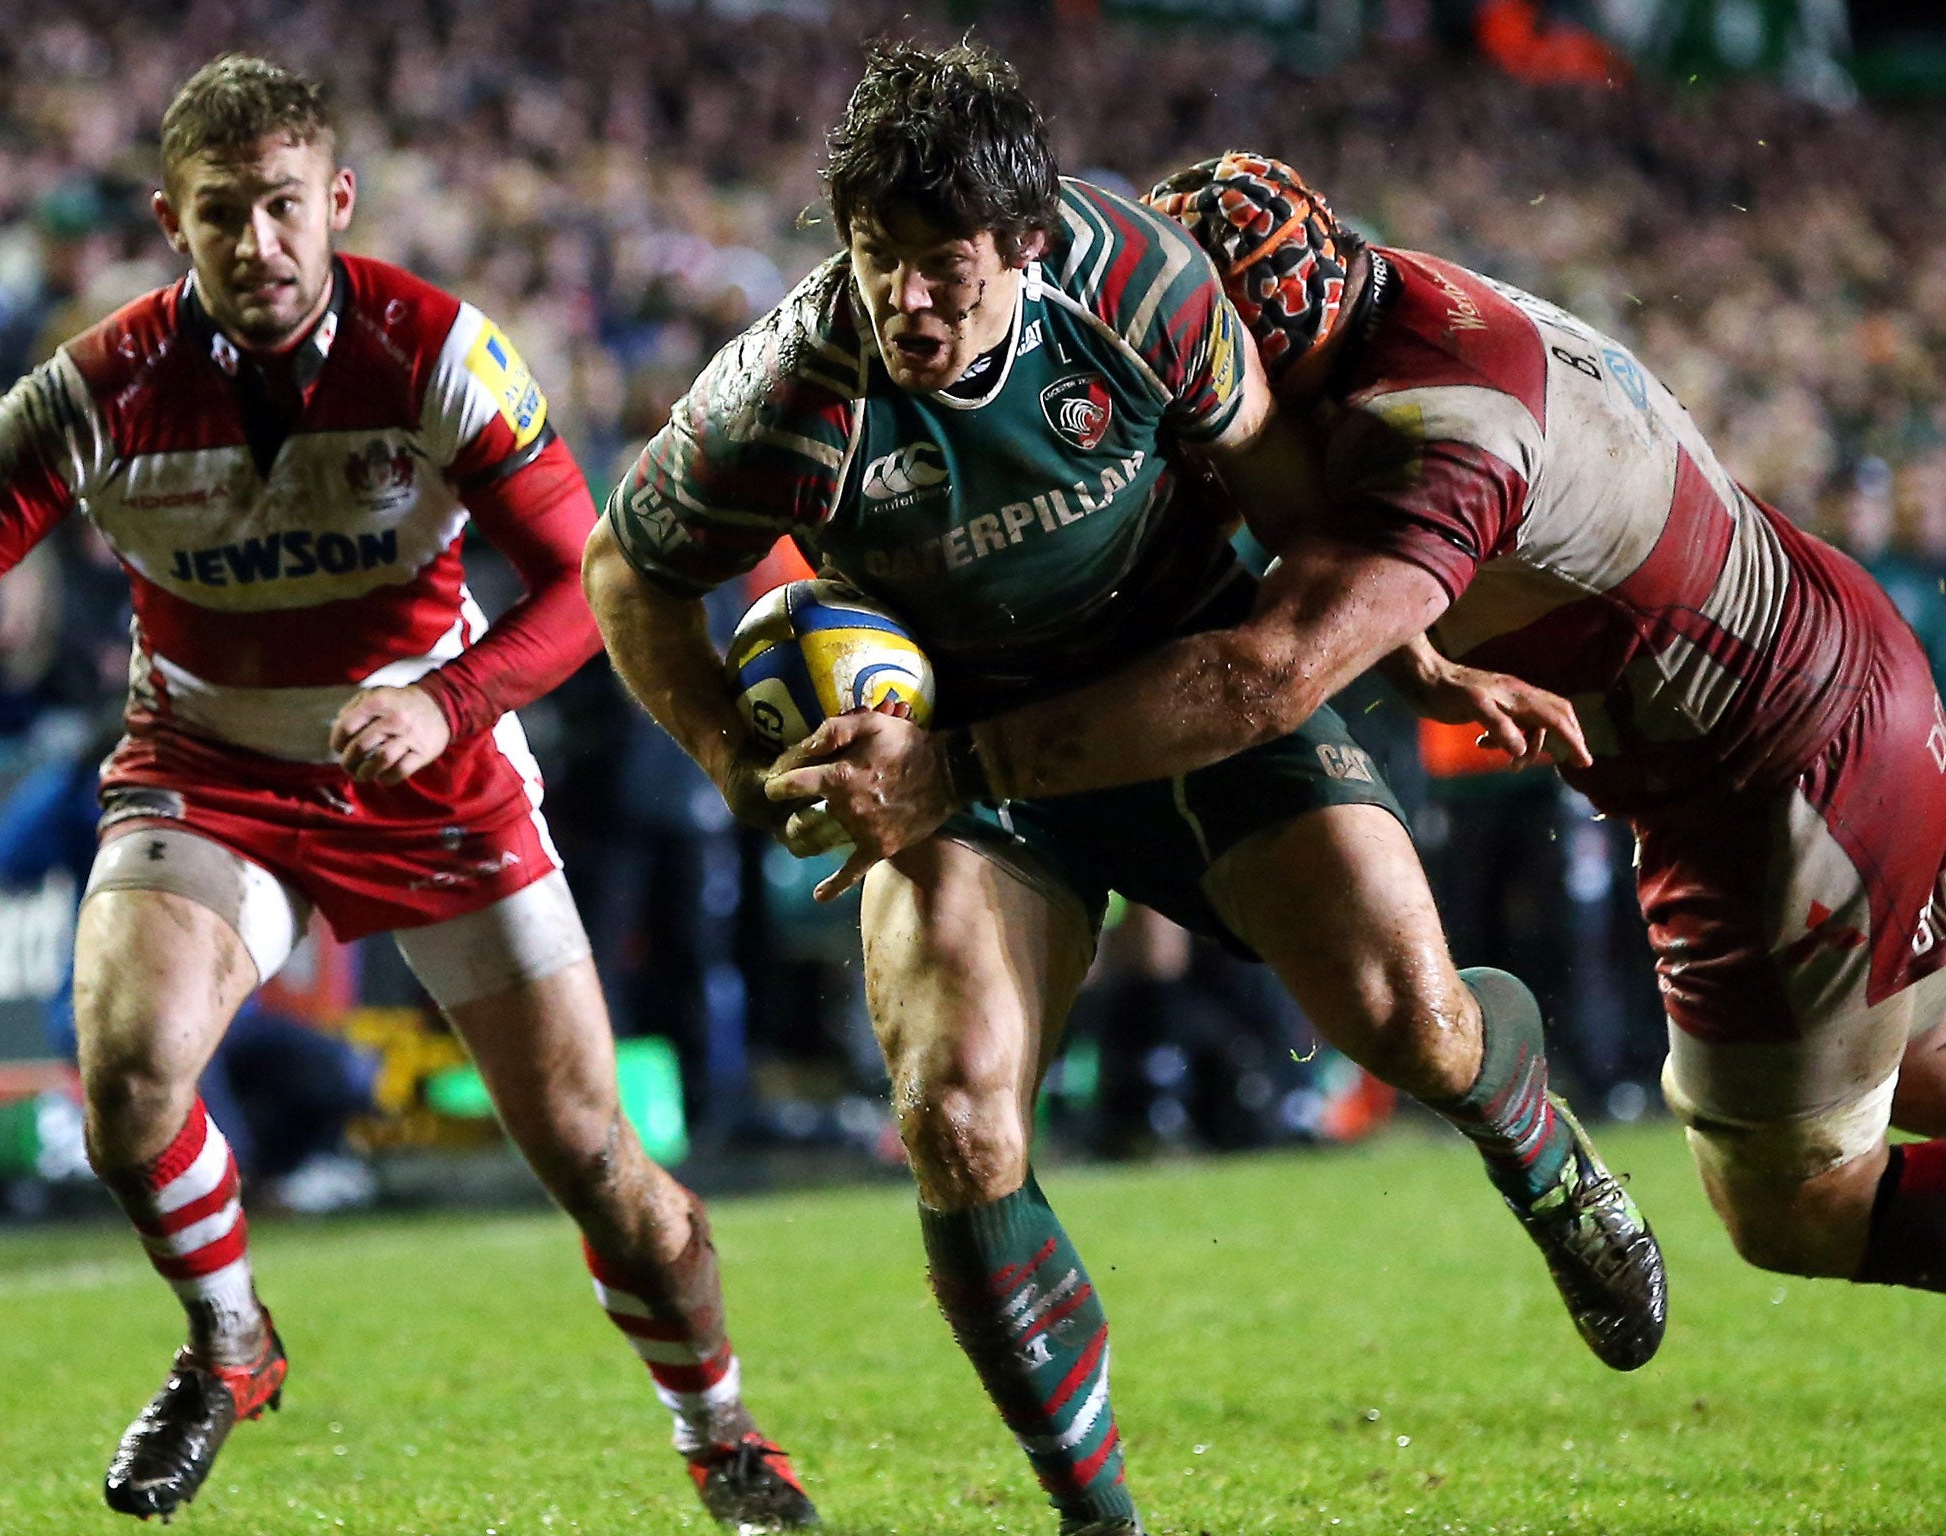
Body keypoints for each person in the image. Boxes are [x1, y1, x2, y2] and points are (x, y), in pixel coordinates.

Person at [584, 41, 1664, 1536]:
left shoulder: (1145, 288)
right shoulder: (788, 389)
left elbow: (1291, 507)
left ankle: (1536, 1151)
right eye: (874, 257)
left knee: (1413, 1021)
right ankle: (1099, 1518)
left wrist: (1415, 666)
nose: (905, 300)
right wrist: (735, 770)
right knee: (960, 1123)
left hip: (1189, 685)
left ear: (1024, 243)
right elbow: (623, 574)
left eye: (942, 265)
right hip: (948, 759)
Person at [801, 143, 1946, 1329]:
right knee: (1903, 1064)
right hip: (1833, 689)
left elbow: (1267, 677)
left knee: (1796, 1203)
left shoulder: (1433, 428)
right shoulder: (1377, 300)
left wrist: (962, 768)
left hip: (1774, 783)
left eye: (1204, 364)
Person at [0, 56, 814, 1531]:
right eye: (219, 216)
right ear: (168, 223)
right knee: (129, 1085)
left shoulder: (437, 350)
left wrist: (446, 700)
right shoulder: (100, 386)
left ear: (335, 204)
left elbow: (590, 585)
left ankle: (720, 1431)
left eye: (280, 208)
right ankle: (232, 1346)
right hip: (206, 769)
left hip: (438, 777)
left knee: (600, 1167)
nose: (255, 244)